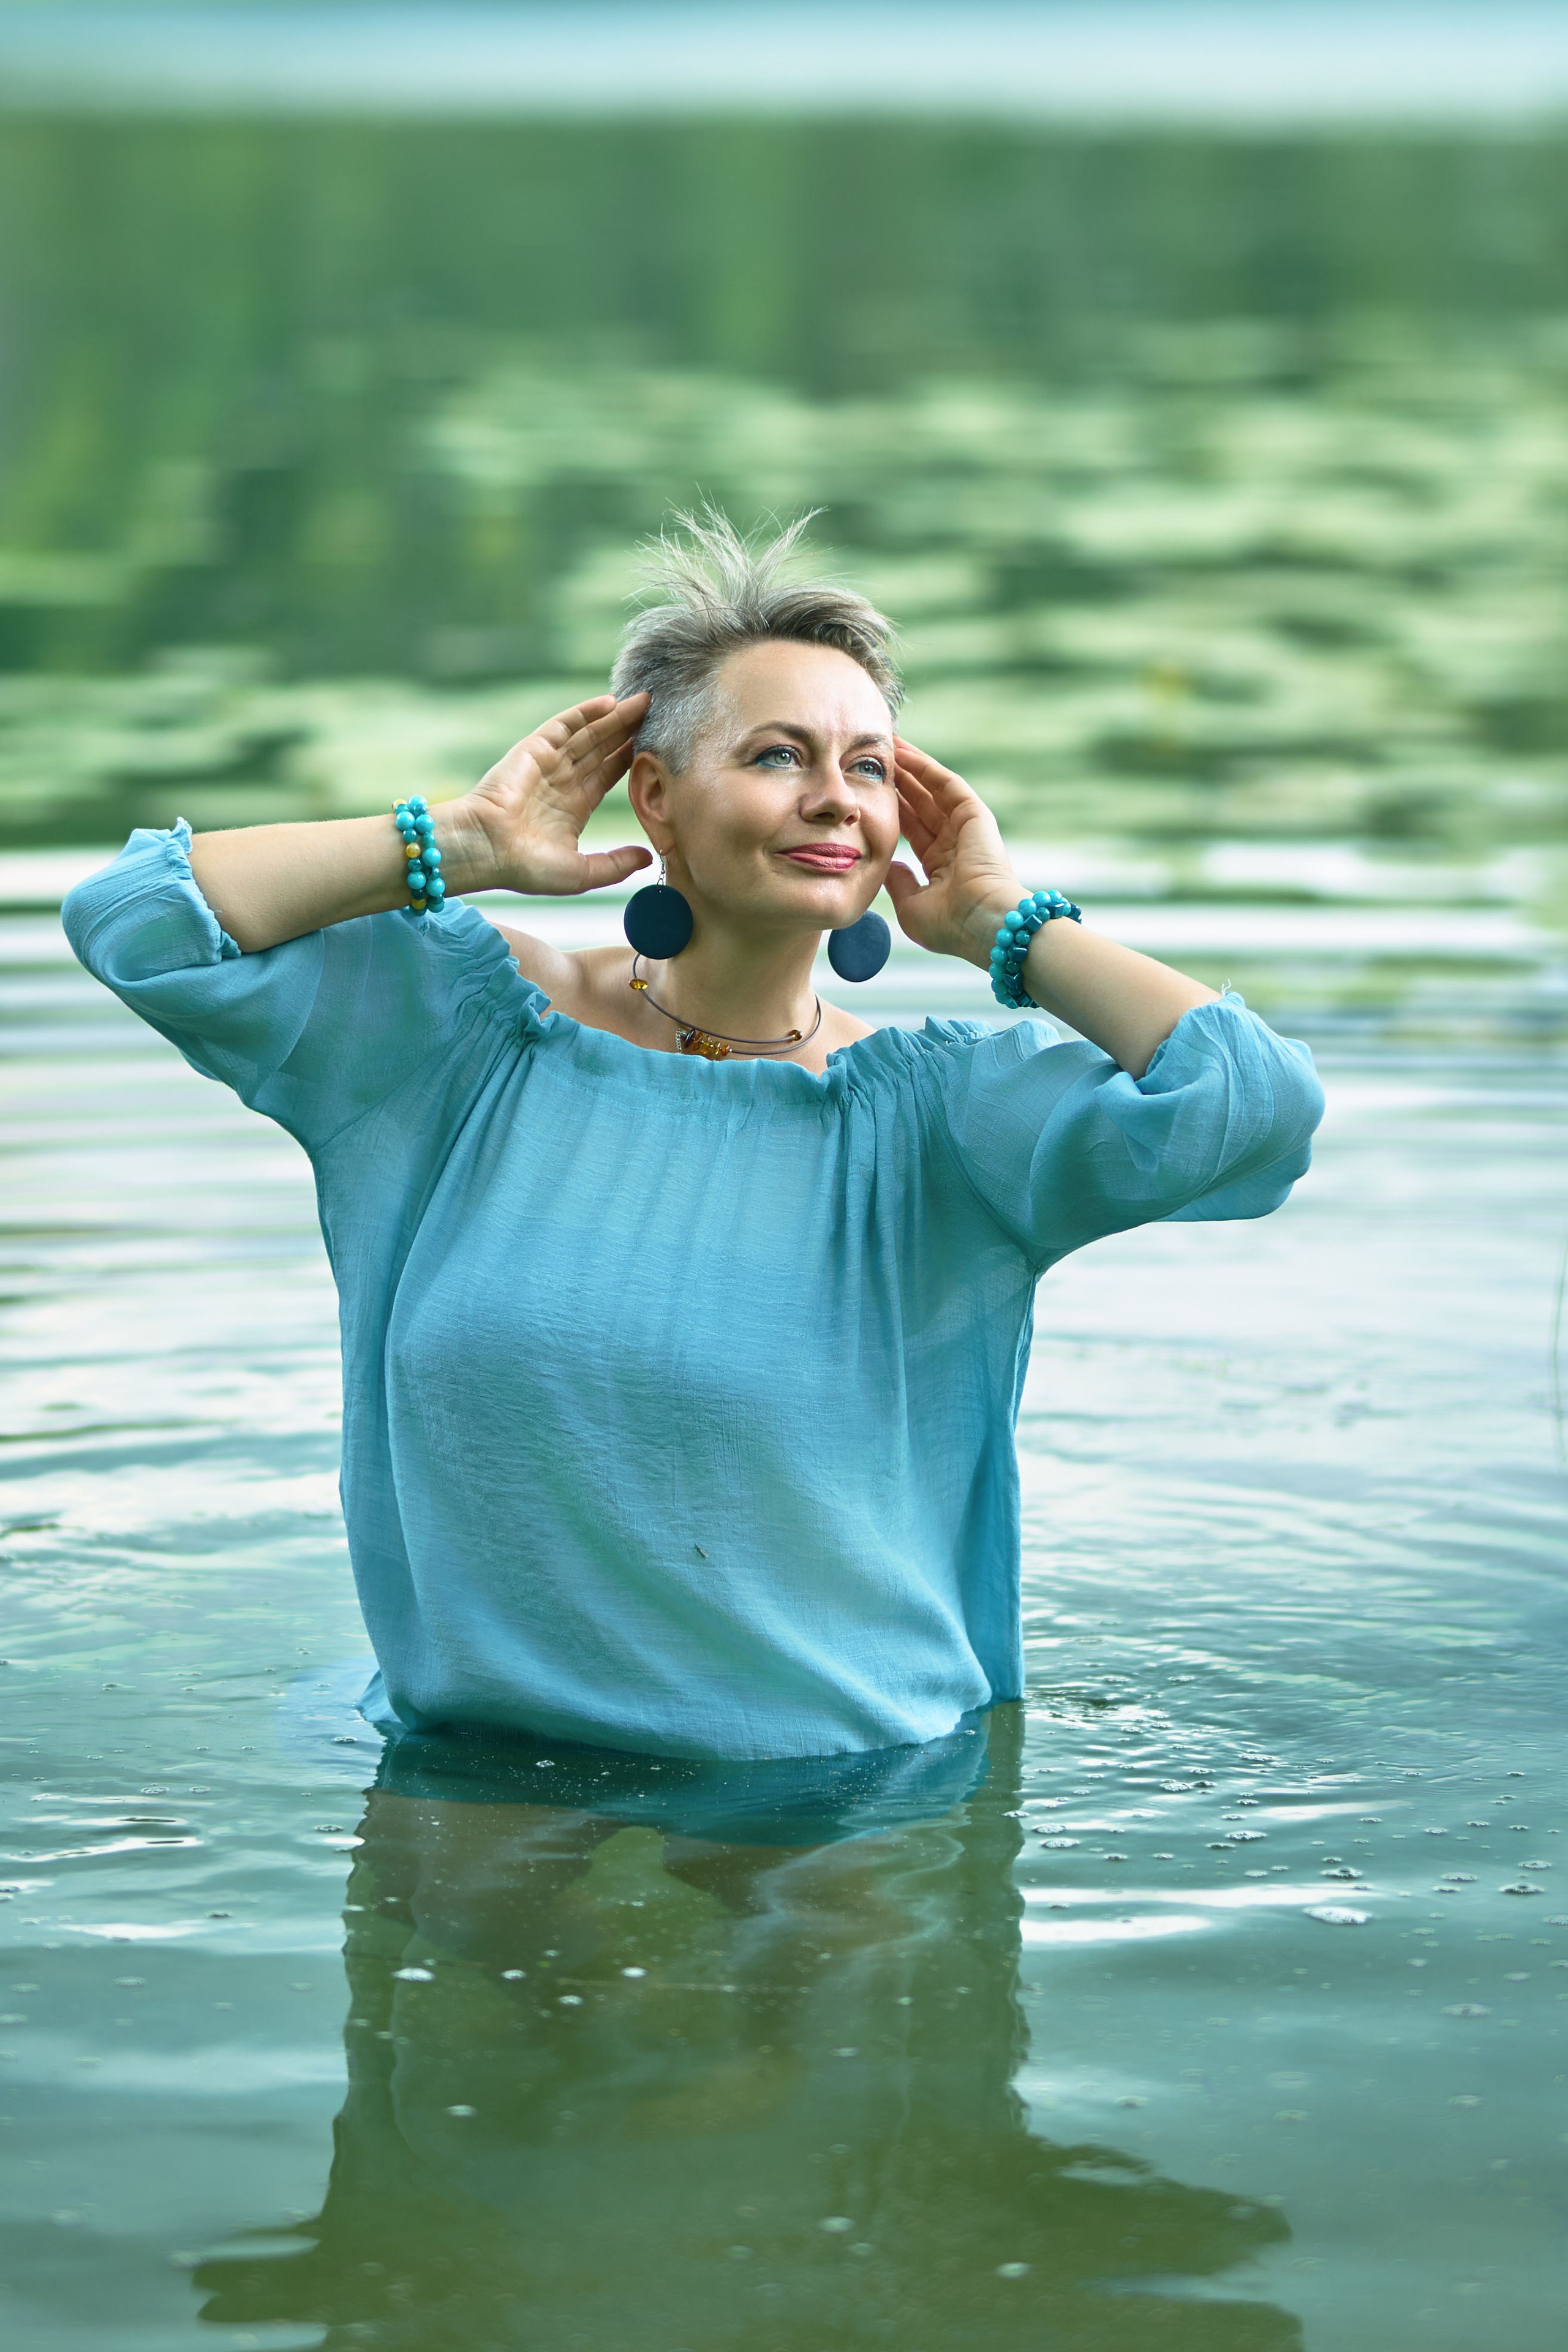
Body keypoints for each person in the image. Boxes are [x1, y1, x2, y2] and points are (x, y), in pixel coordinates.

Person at [62, 511, 1323, 1765]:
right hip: (482, 1792)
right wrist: (457, 846)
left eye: (869, 765)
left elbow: (1251, 1111)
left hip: (845, 1812)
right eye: (779, 754)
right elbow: (139, 919)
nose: (835, 794)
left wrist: (1003, 922)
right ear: (653, 796)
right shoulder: (457, 1034)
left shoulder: (934, 1127)